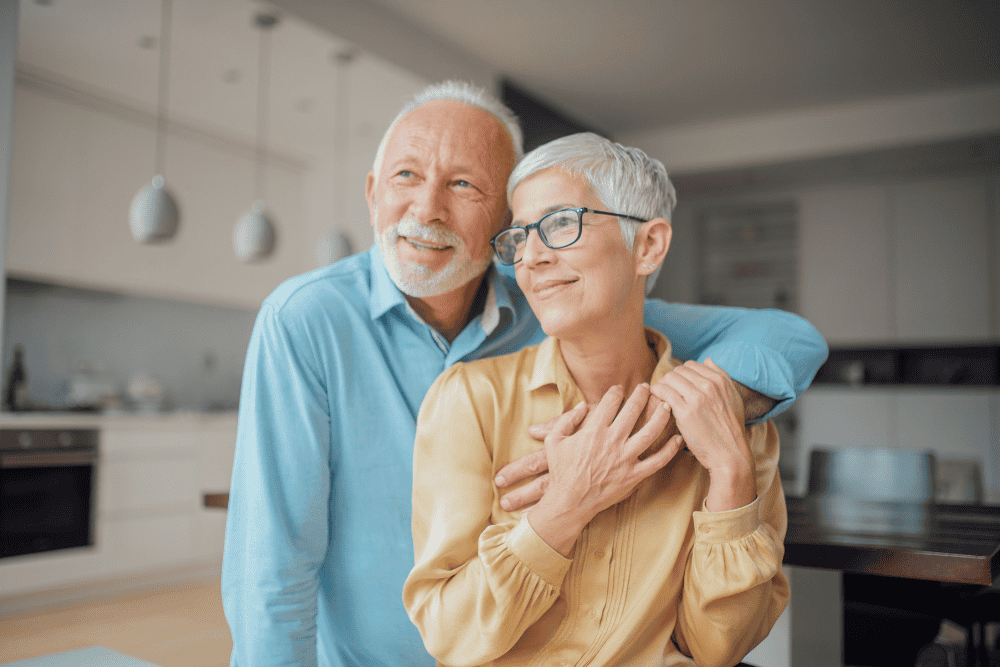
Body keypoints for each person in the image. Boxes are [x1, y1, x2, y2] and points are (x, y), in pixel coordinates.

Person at [222, 81, 826, 667]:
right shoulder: (308, 317)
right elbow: (271, 560)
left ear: (498, 224)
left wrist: (663, 426)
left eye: (463, 184)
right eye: (406, 176)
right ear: (374, 192)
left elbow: (789, 338)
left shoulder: (555, 299)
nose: (426, 208)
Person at [403, 132, 787, 667]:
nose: (529, 259)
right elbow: (449, 632)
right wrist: (565, 506)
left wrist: (730, 475)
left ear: (648, 246)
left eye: (561, 224)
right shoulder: (470, 399)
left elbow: (717, 648)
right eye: (519, 236)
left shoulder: (730, 423)